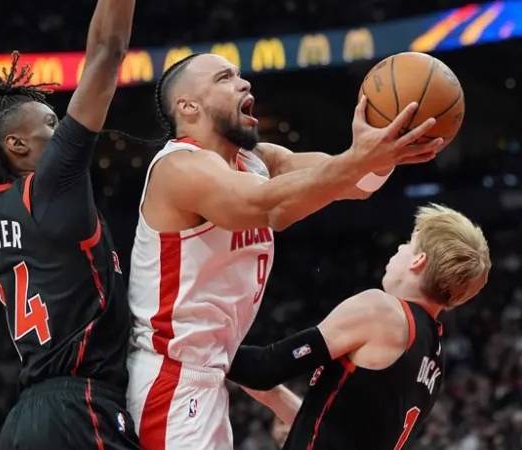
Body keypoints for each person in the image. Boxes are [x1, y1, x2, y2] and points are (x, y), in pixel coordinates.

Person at [126, 52, 446, 450]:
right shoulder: (180, 168)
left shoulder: (259, 161)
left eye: (240, 75)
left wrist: (384, 150)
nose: (244, 84)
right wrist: (358, 159)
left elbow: (352, 182)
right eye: (225, 78)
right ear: (188, 106)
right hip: (171, 376)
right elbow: (270, 208)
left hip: (211, 374)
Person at [0, 1, 140, 449]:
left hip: (24, 422)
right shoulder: (52, 185)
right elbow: (108, 50)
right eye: (50, 123)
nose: (60, 130)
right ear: (16, 144)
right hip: (79, 408)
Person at [228, 203, 491, 450]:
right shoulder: (434, 355)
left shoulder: (382, 311)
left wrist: (195, 337)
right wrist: (275, 397)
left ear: (418, 260)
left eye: (408, 243)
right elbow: (344, 432)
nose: (399, 248)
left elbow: (262, 368)